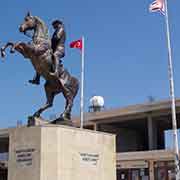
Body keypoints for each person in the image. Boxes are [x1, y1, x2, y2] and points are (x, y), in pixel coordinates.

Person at [29, 19, 66, 85]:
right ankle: (37, 79)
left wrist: (48, 40)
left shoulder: (61, 29)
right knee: (41, 59)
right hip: (53, 49)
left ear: (58, 24)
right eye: (53, 25)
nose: (53, 26)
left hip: (59, 49)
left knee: (55, 55)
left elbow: (57, 38)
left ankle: (56, 72)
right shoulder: (56, 30)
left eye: (54, 25)